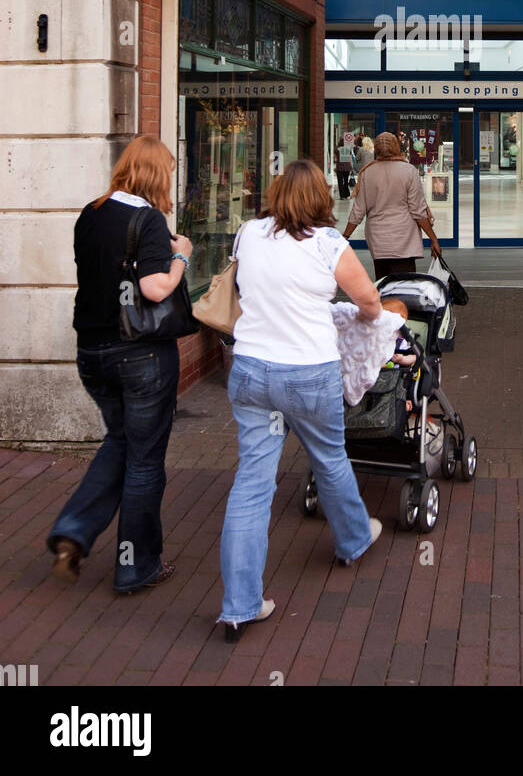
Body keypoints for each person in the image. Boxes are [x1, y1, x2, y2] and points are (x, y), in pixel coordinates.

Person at [218, 158, 384, 641]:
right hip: (308, 373)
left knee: (251, 483)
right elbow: (370, 302)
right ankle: (353, 540)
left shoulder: (248, 232)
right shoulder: (329, 243)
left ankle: (239, 606)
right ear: (320, 198)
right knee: (330, 459)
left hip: (250, 371)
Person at [46, 136, 193, 593]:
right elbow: (153, 289)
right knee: (145, 461)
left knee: (121, 440)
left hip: (92, 352)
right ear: (157, 174)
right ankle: (136, 566)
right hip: (140, 355)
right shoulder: (148, 219)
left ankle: (73, 531)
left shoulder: (89, 214)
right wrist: (181, 257)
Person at [342, 131, 440, 280]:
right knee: (404, 287)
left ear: (376, 149)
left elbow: (358, 210)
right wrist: (433, 239)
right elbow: (418, 211)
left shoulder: (367, 172)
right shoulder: (409, 171)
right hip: (404, 239)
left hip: (378, 239)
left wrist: (344, 237)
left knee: (383, 284)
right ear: (396, 147)